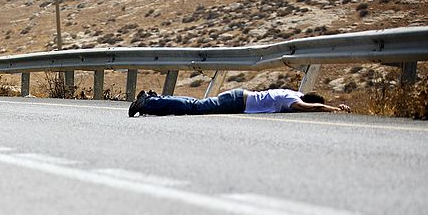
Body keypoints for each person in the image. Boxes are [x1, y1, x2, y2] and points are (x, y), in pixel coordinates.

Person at [128, 88, 351, 117]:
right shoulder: (293, 98)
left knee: (196, 105)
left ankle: (155, 100)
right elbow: (306, 107)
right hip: (238, 101)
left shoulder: (292, 93)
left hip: (239, 100)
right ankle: (148, 102)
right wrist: (333, 109)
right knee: (195, 108)